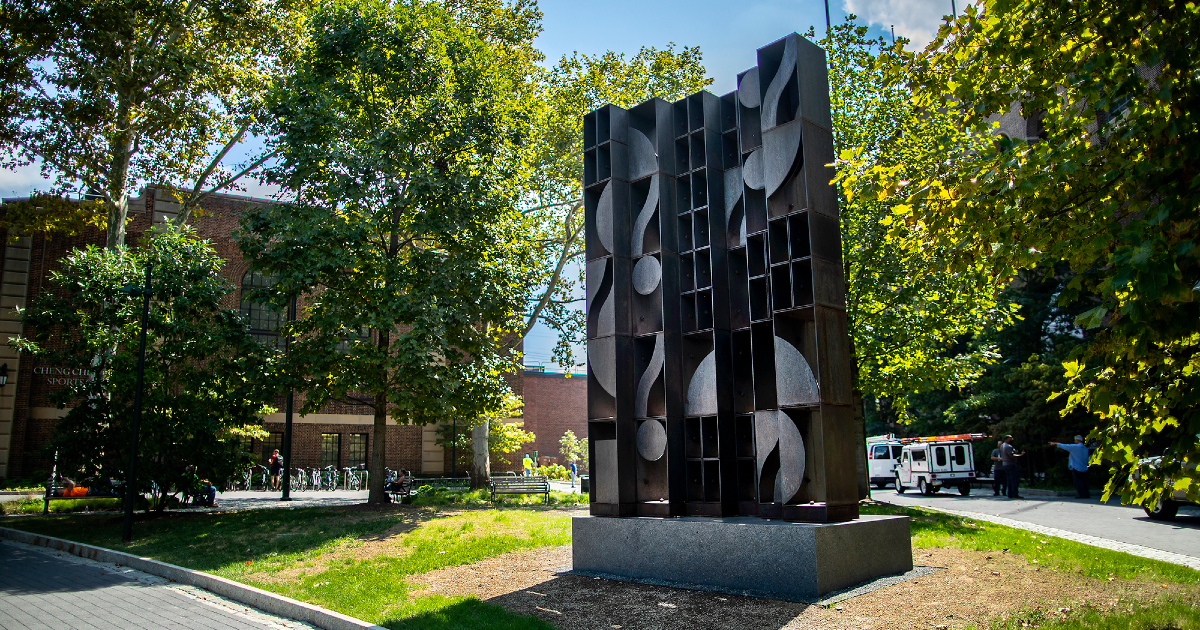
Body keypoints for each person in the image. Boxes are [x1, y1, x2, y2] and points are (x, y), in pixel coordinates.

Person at [999, 435, 1025, 499]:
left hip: (1005, 464)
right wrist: (1020, 455)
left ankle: (1009, 494)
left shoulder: (1002, 445)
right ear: (1007, 439)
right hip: (1010, 464)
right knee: (1014, 480)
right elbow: (1011, 456)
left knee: (1009, 480)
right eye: (1011, 438)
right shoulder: (1008, 446)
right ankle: (1015, 494)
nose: (1012, 439)